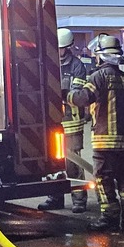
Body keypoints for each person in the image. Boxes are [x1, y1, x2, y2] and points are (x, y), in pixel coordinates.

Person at [67, 34, 124, 232]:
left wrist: (67, 94)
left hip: (105, 142)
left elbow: (83, 98)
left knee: (103, 180)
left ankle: (109, 218)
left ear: (100, 56)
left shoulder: (98, 77)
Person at [38, 28, 88, 212]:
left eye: (61, 48)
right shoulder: (47, 63)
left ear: (68, 47)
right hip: (52, 121)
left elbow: (76, 94)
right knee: (53, 162)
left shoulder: (77, 66)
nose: (58, 51)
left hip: (71, 121)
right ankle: (55, 197)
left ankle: (79, 200)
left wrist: (59, 94)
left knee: (73, 162)